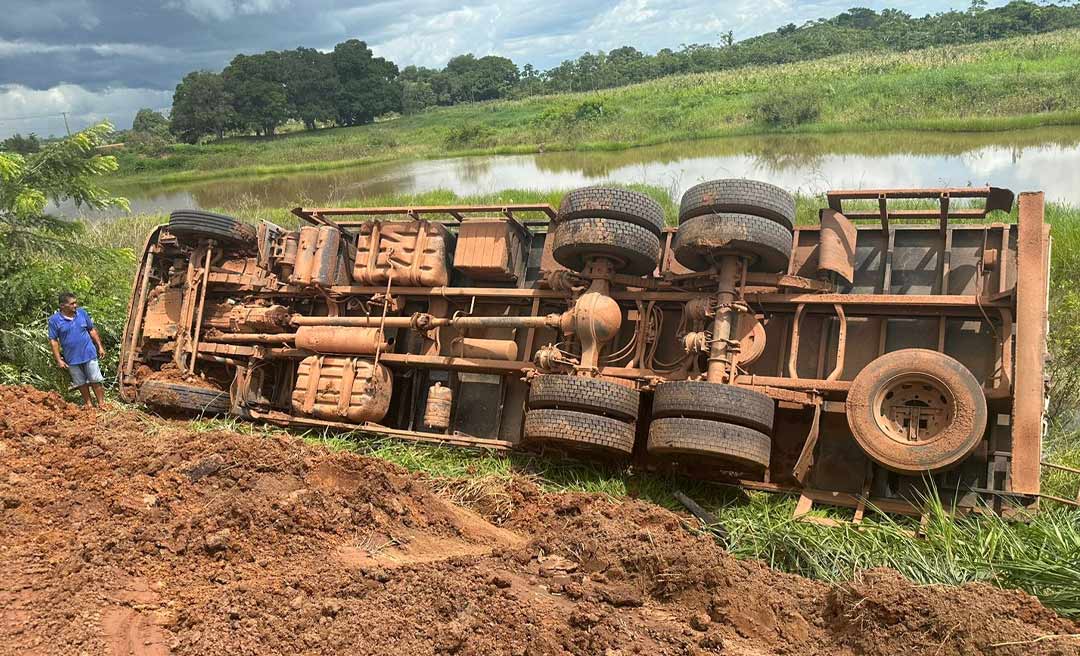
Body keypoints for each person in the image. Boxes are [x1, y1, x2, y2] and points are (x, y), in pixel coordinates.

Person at [48, 292, 106, 407]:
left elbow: (91, 330)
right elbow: (53, 341)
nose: (75, 305)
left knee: (95, 379)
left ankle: (101, 404)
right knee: (81, 383)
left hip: (89, 353)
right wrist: (59, 360)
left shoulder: (82, 314)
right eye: (72, 303)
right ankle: (88, 405)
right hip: (72, 358)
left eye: (76, 303)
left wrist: (100, 346)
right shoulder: (54, 320)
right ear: (62, 306)